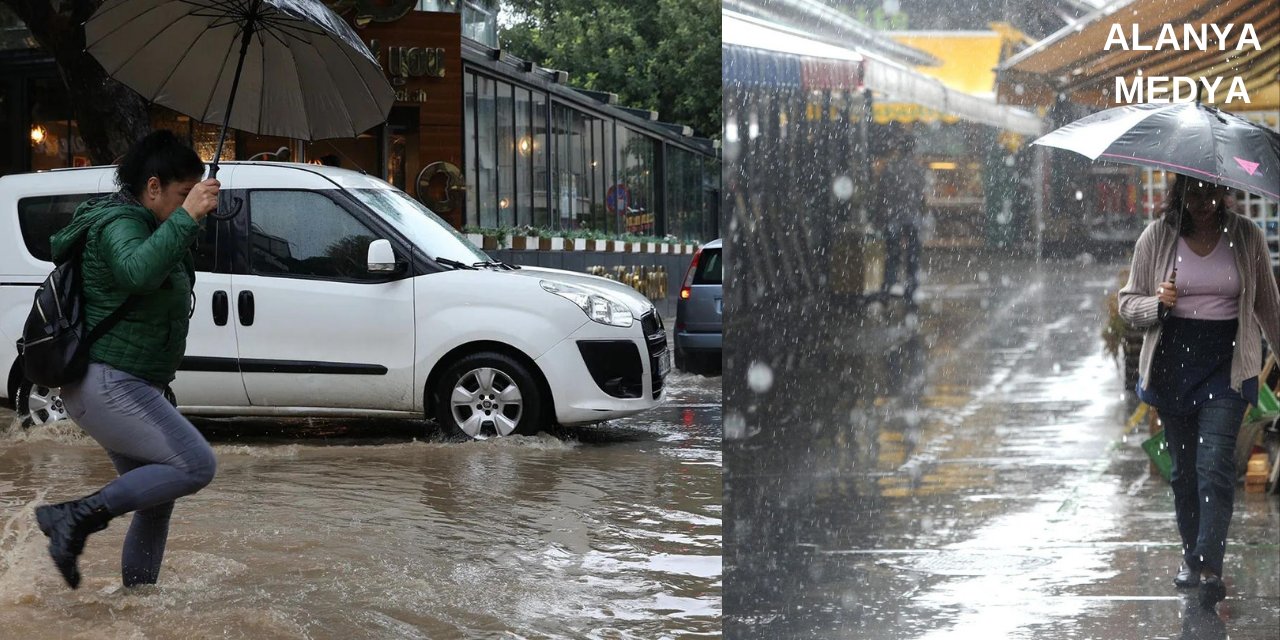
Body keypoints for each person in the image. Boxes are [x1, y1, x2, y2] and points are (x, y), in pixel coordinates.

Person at [34, 130, 221, 589]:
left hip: (130, 384)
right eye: (182, 194)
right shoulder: (118, 223)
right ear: (153, 187)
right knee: (195, 466)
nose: (188, 203)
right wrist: (187, 217)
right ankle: (74, 517)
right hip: (107, 383)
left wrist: (186, 220)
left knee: (157, 500)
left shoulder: (158, 224)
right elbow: (137, 272)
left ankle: (137, 608)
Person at [1118, 174, 1280, 609]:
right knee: (1184, 471)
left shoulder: (1245, 236)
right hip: (1173, 365)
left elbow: (1268, 305)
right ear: (1180, 193)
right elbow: (1127, 302)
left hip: (1228, 365)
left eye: (1212, 192)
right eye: (1195, 193)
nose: (1205, 202)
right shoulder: (1158, 238)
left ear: (1225, 192)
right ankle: (1191, 557)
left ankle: (1210, 566)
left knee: (1214, 466)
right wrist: (1158, 302)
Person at [877, 131, 926, 299]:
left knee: (892, 254)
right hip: (912, 216)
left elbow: (882, 194)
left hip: (893, 217)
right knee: (912, 255)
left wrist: (883, 215)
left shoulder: (890, 169)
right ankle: (911, 288)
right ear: (912, 149)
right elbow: (921, 196)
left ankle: (889, 286)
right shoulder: (917, 170)